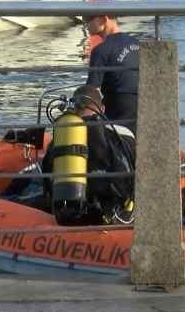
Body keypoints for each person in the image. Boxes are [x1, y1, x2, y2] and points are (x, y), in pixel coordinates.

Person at [41, 85, 136, 225]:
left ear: (74, 108)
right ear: (102, 109)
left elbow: (47, 174)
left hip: (70, 215)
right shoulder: (123, 133)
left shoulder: (64, 135)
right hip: (118, 215)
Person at [84, 7, 140, 134]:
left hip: (116, 114)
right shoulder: (138, 44)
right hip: (142, 110)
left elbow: (92, 92)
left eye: (88, 18)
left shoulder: (101, 50)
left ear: (104, 19)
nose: (86, 24)